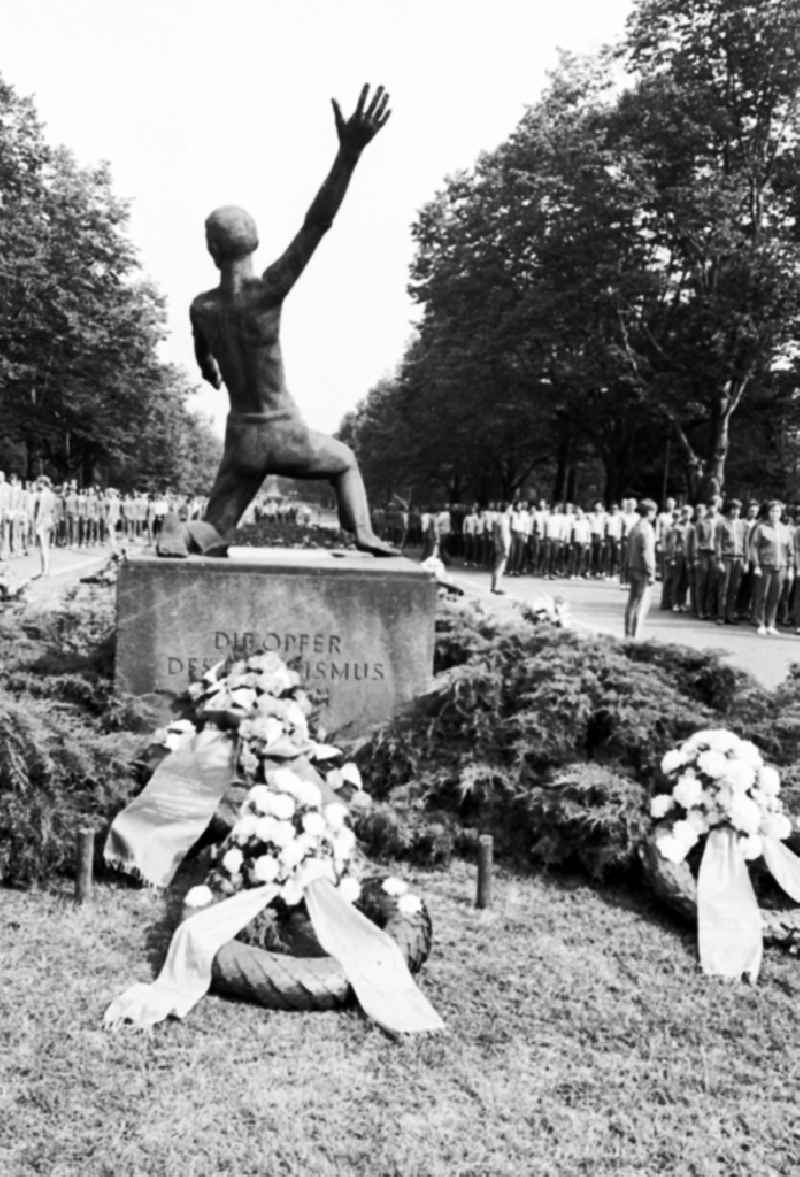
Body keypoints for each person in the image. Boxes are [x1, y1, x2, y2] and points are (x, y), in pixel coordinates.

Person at [172, 84, 396, 558]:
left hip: (241, 437)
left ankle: (186, 531)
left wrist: (209, 369)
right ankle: (363, 535)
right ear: (254, 243)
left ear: (212, 249)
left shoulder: (202, 308)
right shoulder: (267, 292)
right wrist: (349, 156)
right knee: (344, 463)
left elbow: (203, 355)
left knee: (215, 531)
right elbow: (317, 224)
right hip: (281, 430)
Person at [750, 500, 794, 636]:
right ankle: (761, 623)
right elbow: (753, 547)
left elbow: (790, 551)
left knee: (775, 597)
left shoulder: (785, 529)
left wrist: (791, 568)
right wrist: (756, 565)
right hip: (765, 566)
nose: (776, 514)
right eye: (773, 511)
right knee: (762, 595)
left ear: (781, 513)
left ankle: (771, 624)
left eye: (778, 511)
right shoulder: (761, 528)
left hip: (781, 567)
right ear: (768, 513)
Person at [624, 499, 657, 639]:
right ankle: (634, 635)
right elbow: (647, 553)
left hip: (632, 567)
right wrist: (651, 573)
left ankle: (628, 633)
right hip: (642, 570)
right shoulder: (646, 529)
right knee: (640, 604)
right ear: (650, 512)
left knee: (632, 602)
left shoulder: (634, 527)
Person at [490, 502, 513, 594]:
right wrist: (506, 548)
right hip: (503, 546)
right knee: (500, 567)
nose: (512, 511)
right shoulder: (503, 519)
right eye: (511, 509)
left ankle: (494, 586)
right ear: (507, 509)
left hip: (500, 545)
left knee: (498, 566)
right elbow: (503, 535)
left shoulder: (500, 518)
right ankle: (496, 587)